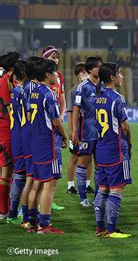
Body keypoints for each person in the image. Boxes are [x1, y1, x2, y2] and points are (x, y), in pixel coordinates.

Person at [27, 59, 67, 234]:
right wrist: (65, 137)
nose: (57, 75)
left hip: (36, 142)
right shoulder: (49, 94)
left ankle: (31, 223)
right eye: (54, 73)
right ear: (47, 75)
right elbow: (56, 120)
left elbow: (29, 116)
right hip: (48, 144)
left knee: (37, 183)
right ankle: (44, 225)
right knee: (49, 185)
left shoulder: (33, 92)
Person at [94, 63, 132, 238]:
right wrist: (129, 144)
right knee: (117, 189)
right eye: (120, 73)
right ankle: (111, 230)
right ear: (111, 77)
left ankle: (100, 228)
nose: (122, 76)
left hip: (101, 149)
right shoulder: (117, 98)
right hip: (116, 149)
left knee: (102, 188)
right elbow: (125, 126)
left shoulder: (98, 97)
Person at [72, 56, 103, 207]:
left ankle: (98, 196)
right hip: (87, 131)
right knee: (83, 163)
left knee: (100, 164)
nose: (100, 68)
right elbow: (76, 108)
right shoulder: (83, 86)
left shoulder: (104, 84)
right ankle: (83, 198)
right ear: (91, 69)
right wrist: (75, 131)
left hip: (103, 132)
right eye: (98, 66)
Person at [20, 56, 42, 228]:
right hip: (32, 136)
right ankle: (28, 219)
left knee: (32, 179)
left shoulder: (26, 87)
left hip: (27, 134)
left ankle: (27, 217)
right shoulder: (33, 88)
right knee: (32, 179)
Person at [6, 60, 27, 224]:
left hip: (16, 136)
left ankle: (13, 213)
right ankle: (23, 214)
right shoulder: (23, 92)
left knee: (19, 175)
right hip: (24, 138)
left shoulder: (15, 90)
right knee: (27, 177)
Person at [0, 51, 20, 218]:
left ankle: (6, 209)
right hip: (5, 131)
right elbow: (8, 109)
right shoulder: (5, 82)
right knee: (6, 171)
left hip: (7, 130)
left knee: (9, 171)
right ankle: (3, 211)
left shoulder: (9, 81)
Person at [65, 63, 90, 194]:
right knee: (74, 158)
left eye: (87, 72)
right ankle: (70, 185)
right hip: (78, 129)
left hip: (89, 130)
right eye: (83, 72)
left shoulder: (92, 89)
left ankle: (87, 184)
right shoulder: (74, 91)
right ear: (77, 75)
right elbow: (70, 112)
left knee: (89, 157)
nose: (85, 75)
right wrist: (71, 130)